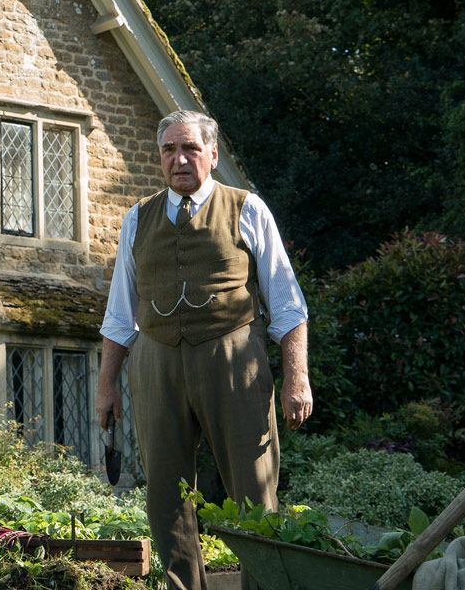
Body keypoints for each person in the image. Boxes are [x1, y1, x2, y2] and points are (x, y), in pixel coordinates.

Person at [96, 109, 312, 590]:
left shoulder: (247, 208)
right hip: (157, 360)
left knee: (253, 489)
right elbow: (119, 313)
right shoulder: (137, 219)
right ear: (160, 159)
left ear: (212, 155)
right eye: (169, 150)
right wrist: (106, 386)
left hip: (234, 357)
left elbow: (287, 304)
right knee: (165, 497)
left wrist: (297, 378)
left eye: (190, 148)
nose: (179, 159)